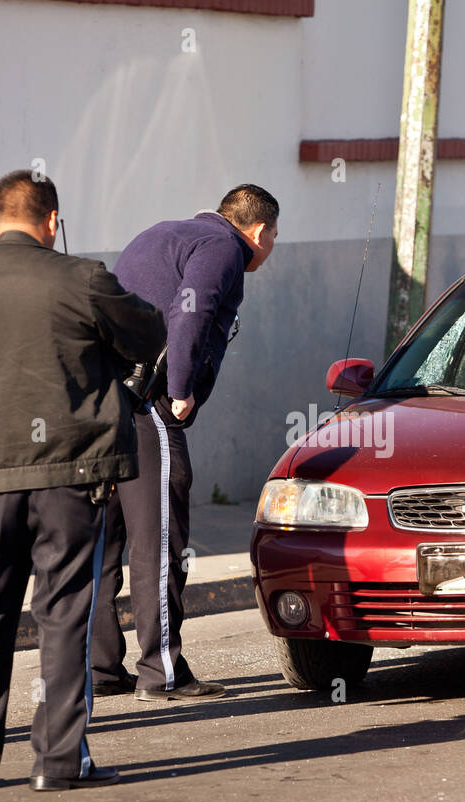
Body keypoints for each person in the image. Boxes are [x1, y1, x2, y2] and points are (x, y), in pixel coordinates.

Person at [0, 170, 164, 792]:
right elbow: (151, 333)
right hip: (71, 474)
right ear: (52, 222)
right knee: (64, 613)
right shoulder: (85, 278)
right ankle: (57, 761)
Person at [90, 184, 278, 702]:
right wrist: (178, 392)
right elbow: (189, 314)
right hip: (148, 404)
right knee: (160, 542)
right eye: (273, 236)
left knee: (103, 541)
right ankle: (161, 672)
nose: (269, 246)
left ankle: (100, 667)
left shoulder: (161, 232)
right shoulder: (223, 248)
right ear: (258, 231)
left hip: (103, 407)